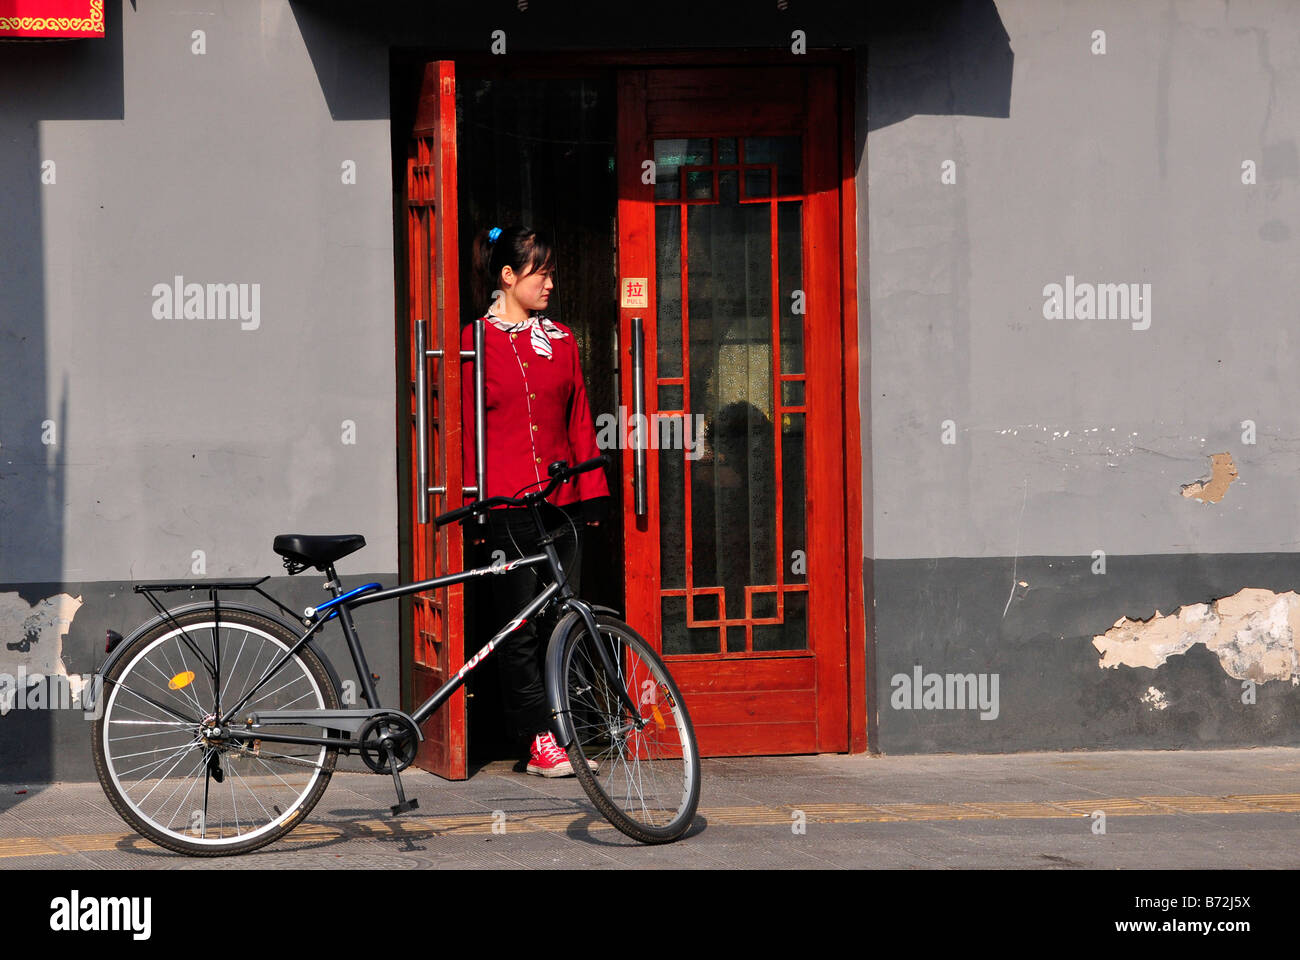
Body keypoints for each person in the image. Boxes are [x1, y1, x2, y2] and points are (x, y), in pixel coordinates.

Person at [461, 224, 611, 777]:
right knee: (517, 627)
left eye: (551, 272)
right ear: (508, 275)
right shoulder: (469, 342)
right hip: (503, 508)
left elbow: (578, 418)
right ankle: (534, 739)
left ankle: (569, 728)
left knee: (563, 618)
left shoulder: (564, 341)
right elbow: (462, 431)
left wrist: (592, 493)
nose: (550, 282)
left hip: (560, 501)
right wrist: (472, 504)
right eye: (540, 271)